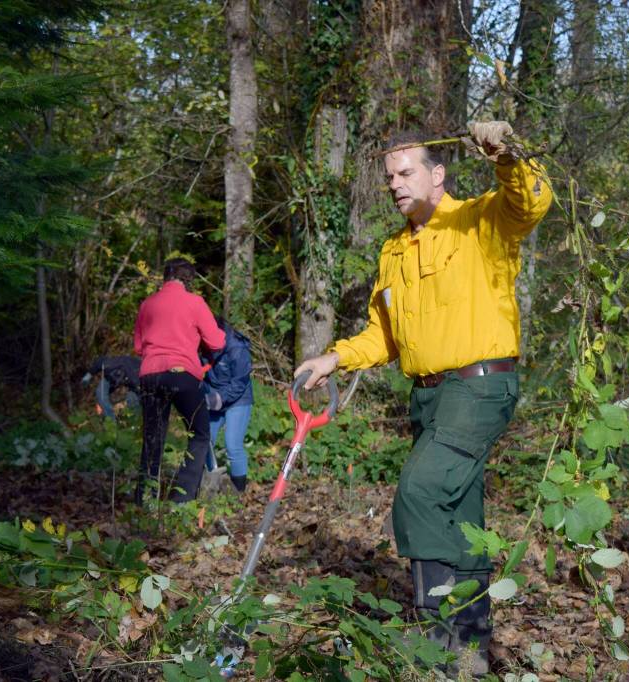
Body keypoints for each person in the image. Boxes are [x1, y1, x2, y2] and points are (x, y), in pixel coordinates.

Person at [294, 121, 552, 674]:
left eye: (406, 172)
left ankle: (434, 644)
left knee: (419, 489)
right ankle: (472, 650)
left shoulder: (480, 219)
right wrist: (333, 358)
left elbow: (531, 200)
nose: (394, 183)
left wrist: (505, 152)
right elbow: (382, 335)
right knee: (461, 514)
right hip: (430, 396)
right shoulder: (393, 251)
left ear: (438, 176)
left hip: (479, 385)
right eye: (389, 176)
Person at [133, 258, 225, 504]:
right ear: (189, 279)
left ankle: (145, 499)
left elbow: (138, 347)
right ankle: (180, 500)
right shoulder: (195, 303)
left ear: (165, 277)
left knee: (153, 437)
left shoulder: (148, 304)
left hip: (150, 374)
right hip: (183, 374)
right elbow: (217, 342)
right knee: (199, 434)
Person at [201, 315, 254, 493]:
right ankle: (209, 483)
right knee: (204, 440)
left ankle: (239, 492)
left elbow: (239, 383)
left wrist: (219, 398)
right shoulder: (200, 344)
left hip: (238, 398)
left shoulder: (237, 349)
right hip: (213, 397)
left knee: (233, 444)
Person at [81, 356, 142, 421]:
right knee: (100, 393)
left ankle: (136, 419)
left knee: (133, 397)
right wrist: (89, 375)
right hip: (113, 374)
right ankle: (111, 421)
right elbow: (98, 363)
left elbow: (139, 389)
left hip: (132, 373)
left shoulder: (133, 374)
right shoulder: (108, 365)